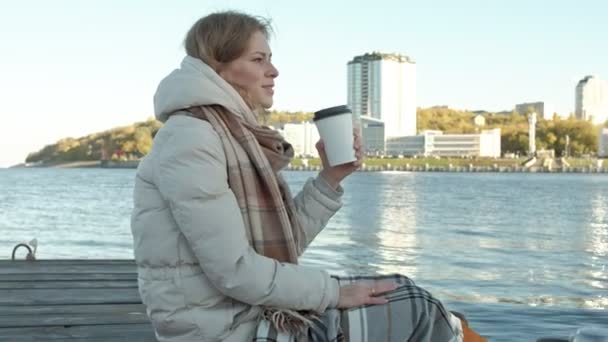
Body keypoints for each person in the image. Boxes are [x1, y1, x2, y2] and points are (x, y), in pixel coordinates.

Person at [130, 10, 486, 342]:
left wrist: (330, 178)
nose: (274, 71)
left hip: (240, 311)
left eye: (269, 58)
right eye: (259, 60)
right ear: (218, 68)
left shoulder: (230, 135)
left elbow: (279, 245)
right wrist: (334, 292)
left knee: (409, 296)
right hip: (221, 329)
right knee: (418, 310)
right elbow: (236, 270)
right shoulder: (193, 138)